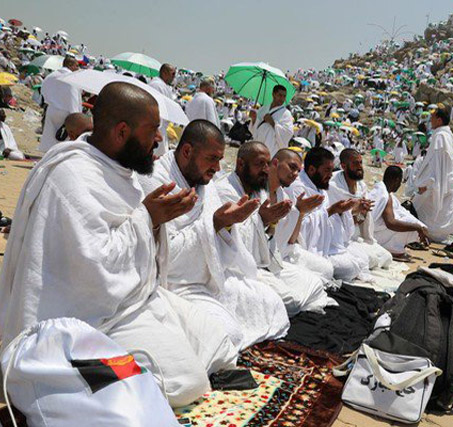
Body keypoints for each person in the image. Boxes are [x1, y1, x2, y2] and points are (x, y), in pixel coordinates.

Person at [0, 82, 239, 407]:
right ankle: (69, 383)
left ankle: (120, 375)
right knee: (187, 381)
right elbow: (92, 267)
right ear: (122, 132)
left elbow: (140, 248)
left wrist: (153, 221)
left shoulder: (121, 171)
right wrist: (148, 218)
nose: (159, 139)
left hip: (137, 297)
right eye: (153, 130)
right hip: (90, 315)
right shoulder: (71, 176)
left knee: (219, 341)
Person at [140, 121, 290, 351]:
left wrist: (231, 226)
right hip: (170, 285)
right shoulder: (156, 182)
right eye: (212, 159)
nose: (218, 168)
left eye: (220, 160)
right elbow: (162, 256)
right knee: (227, 333)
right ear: (188, 151)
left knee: (274, 305)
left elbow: (226, 250)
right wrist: (216, 224)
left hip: (210, 278)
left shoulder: (205, 184)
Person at [215, 141, 334, 315]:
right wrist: (264, 220)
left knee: (316, 283)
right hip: (237, 269)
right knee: (290, 301)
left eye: (267, 164)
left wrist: (291, 215)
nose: (265, 169)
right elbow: (230, 243)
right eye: (259, 164)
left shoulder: (259, 191)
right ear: (240, 164)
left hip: (267, 260)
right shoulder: (225, 190)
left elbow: (278, 240)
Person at [286, 147, 369, 281]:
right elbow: (295, 231)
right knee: (336, 270)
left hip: (327, 245)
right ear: (312, 169)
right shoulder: (298, 189)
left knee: (362, 260)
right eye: (327, 170)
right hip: (301, 248)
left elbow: (333, 225)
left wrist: (344, 212)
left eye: (332, 170)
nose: (331, 175)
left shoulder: (321, 188)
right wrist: (331, 211)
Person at [265, 148, 335, 280]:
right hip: (272, 256)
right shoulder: (295, 189)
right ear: (275, 163)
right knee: (316, 281)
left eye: (298, 170)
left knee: (328, 270)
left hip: (285, 251)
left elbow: (291, 239)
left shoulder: (282, 195)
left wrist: (300, 212)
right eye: (292, 167)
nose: (295, 174)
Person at [329, 148, 393, 270]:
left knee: (387, 257)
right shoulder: (333, 186)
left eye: (360, 162)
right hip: (341, 239)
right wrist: (353, 211)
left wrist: (362, 212)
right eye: (355, 163)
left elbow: (360, 220)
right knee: (371, 260)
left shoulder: (361, 186)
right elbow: (333, 221)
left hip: (357, 236)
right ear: (343, 166)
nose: (359, 167)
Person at [412, 106, 453, 252]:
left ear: (439, 120)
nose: (430, 121)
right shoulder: (449, 135)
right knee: (450, 210)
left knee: (419, 206)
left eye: (433, 118)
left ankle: (420, 234)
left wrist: (427, 183)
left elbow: (435, 163)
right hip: (448, 179)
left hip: (438, 180)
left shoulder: (440, 136)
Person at [367, 165, 429, 260]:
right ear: (396, 180)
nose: (400, 185)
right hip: (374, 235)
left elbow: (400, 210)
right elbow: (391, 223)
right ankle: (394, 250)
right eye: (400, 181)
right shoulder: (385, 196)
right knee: (413, 225)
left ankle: (396, 246)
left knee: (411, 220)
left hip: (373, 231)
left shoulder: (382, 190)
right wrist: (418, 228)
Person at [38, 56, 82, 152]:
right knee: (65, 138)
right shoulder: (72, 78)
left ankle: (48, 155)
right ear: (70, 65)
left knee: (50, 136)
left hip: (52, 109)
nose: (77, 68)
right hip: (66, 112)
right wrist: (76, 114)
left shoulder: (51, 75)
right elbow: (74, 97)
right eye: (76, 65)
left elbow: (43, 90)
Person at [248, 84, 294, 156]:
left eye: (284, 96)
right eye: (280, 95)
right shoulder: (263, 108)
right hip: (259, 143)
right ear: (273, 94)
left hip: (272, 148)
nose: (282, 98)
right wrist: (254, 119)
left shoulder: (286, 114)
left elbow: (288, 132)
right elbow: (255, 130)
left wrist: (272, 122)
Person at [148, 63, 178, 156]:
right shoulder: (156, 86)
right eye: (172, 74)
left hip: (161, 129)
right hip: (156, 129)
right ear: (164, 73)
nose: (174, 77)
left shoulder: (162, 86)